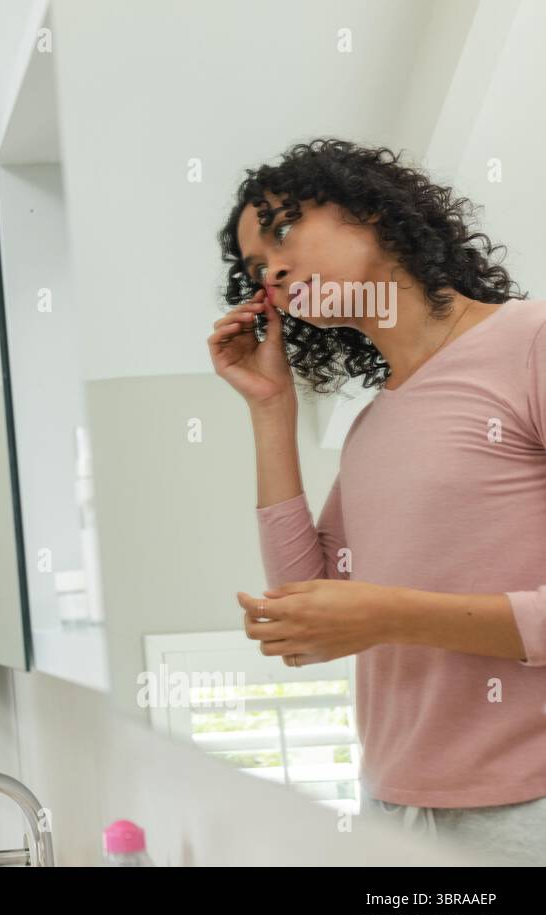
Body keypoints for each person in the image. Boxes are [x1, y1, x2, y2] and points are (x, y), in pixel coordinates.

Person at [211, 139, 546, 865]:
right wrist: (272, 409)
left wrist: (391, 614)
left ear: (369, 206)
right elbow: (311, 600)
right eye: (254, 268)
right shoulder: (375, 423)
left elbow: (368, 611)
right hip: (397, 809)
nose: (270, 270)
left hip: (526, 810)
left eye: (281, 231)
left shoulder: (532, 343)